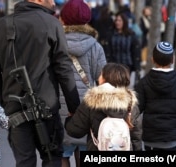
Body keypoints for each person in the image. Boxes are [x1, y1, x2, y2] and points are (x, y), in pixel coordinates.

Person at [0, 0, 80, 166]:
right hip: (47, 109)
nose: (53, 2)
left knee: (24, 161)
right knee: (52, 159)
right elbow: (64, 69)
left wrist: (6, 101)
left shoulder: (1, 26)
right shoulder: (51, 24)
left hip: (16, 111)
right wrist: (74, 107)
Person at [59, 0, 107, 166]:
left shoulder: (56, 45)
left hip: (62, 111)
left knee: (62, 155)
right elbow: (103, 82)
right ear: (87, 20)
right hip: (88, 111)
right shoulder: (96, 47)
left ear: (63, 19)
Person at [65, 63, 143, 151]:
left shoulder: (92, 101)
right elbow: (136, 136)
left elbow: (75, 131)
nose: (99, 77)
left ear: (104, 79)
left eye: (101, 74)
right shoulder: (131, 103)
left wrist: (69, 118)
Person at [135, 42, 176, 151]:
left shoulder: (144, 83)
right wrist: (175, 127)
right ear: (172, 60)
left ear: (153, 59)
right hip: (172, 139)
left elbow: (136, 109)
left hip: (151, 139)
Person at [107, 12, 141, 85]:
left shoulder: (131, 35)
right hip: (114, 66)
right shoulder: (111, 34)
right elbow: (108, 50)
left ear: (124, 22)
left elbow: (135, 51)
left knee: (123, 86)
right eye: (116, 20)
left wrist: (137, 66)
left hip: (127, 66)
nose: (117, 22)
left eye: (120, 20)